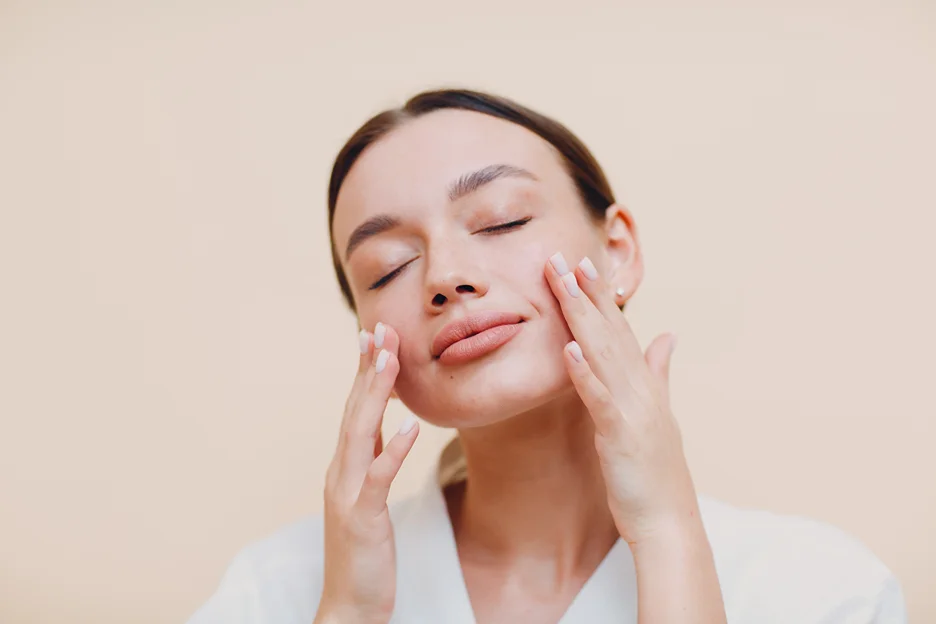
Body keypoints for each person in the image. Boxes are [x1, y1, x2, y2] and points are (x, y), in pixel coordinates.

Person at [188, 89, 906, 623]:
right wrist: (347, 609)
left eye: (502, 219)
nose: (445, 277)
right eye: (387, 267)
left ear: (616, 251)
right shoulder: (273, 592)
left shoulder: (824, 590)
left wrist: (667, 538)